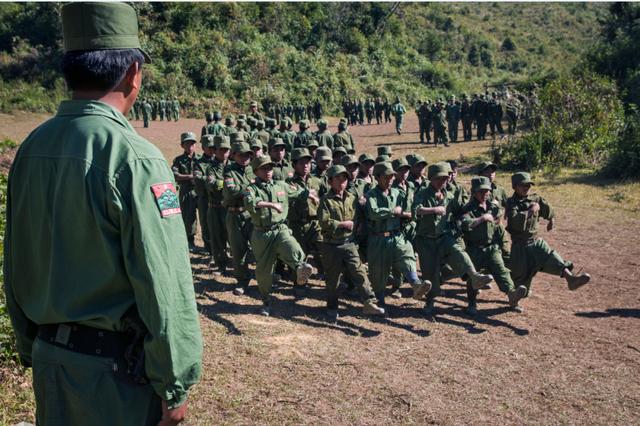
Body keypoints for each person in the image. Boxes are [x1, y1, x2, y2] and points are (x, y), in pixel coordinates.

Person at [4, 3, 202, 425]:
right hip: (115, 378)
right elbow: (163, 282)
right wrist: (176, 382)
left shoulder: (32, 148)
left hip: (51, 359)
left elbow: (15, 257)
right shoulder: (135, 158)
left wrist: (30, 343)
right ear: (133, 72)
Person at [412, 162, 494, 316]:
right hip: (426, 241)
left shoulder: (450, 195)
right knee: (430, 274)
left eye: (444, 178)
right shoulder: (422, 193)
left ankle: (474, 276)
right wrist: (433, 210)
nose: (442, 181)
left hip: (444, 237)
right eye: (438, 179)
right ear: (431, 178)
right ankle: (430, 302)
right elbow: (416, 210)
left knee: (459, 252)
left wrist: (475, 207)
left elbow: (459, 211)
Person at [244, 156, 314, 315]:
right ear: (256, 171)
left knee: (292, 246)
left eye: (270, 168)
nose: (268, 171)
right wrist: (272, 205)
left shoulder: (281, 185)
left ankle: (300, 268)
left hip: (280, 229)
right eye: (264, 168)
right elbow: (251, 202)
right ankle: (266, 301)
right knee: (264, 271)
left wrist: (311, 195)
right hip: (262, 234)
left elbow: (300, 192)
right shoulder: (251, 189)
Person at [505, 172, 591, 299]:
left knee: (552, 257)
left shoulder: (535, 198)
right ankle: (514, 301)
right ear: (514, 187)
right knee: (521, 280)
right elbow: (514, 222)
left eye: (529, 185)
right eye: (523, 185)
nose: (526, 188)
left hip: (535, 242)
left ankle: (571, 279)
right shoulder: (512, 203)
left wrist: (551, 219)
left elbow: (547, 209)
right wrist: (530, 211)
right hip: (520, 247)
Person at [318, 165, 386, 322]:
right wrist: (342, 224)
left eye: (344, 178)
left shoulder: (352, 198)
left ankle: (369, 302)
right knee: (333, 280)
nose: (342, 181)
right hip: (331, 245)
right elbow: (323, 222)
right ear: (330, 181)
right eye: (338, 178)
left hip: (349, 243)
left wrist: (358, 224)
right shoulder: (326, 200)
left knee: (359, 272)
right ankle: (332, 307)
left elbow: (359, 216)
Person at [366, 162, 432, 309]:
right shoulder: (371, 194)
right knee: (379, 271)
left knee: (407, 254)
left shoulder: (396, 192)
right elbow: (374, 213)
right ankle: (380, 301)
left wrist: (405, 214)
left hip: (396, 234)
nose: (390, 180)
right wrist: (392, 211)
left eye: (391, 177)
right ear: (377, 178)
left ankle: (416, 284)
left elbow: (403, 209)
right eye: (386, 177)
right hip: (378, 238)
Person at [460, 176, 528, 314]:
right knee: (475, 277)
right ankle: (472, 303)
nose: (485, 194)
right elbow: (465, 224)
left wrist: (496, 218)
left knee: (501, 270)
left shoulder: (491, 205)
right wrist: (482, 218)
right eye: (481, 192)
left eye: (487, 191)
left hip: (492, 247)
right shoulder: (468, 208)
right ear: (473, 192)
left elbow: (499, 213)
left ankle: (512, 296)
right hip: (474, 249)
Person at [223, 140, 255, 296]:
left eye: (248, 155)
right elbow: (231, 192)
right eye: (241, 155)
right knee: (237, 250)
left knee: (259, 246)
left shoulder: (253, 170)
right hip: (235, 214)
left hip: (251, 214)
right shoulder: (229, 171)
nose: (245, 158)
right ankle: (242, 280)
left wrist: (243, 189)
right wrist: (250, 188)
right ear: (234, 155)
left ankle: (263, 277)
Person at [205, 135, 231, 274]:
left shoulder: (232, 165)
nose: (224, 153)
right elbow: (212, 185)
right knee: (217, 237)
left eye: (226, 150)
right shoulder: (211, 167)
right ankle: (221, 265)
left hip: (230, 208)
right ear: (215, 151)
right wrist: (228, 184)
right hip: (215, 208)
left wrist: (222, 183)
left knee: (232, 237)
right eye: (221, 150)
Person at [172, 132, 199, 251]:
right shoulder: (178, 160)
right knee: (188, 217)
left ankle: (209, 242)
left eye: (192, 144)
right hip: (186, 190)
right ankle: (189, 241)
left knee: (205, 218)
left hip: (200, 191)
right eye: (187, 144)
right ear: (182, 145)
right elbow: (175, 175)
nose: (190, 146)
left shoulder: (200, 159)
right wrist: (190, 177)